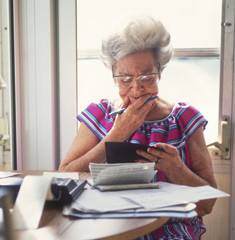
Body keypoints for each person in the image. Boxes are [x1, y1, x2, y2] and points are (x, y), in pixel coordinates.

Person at [59, 17, 217, 239]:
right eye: (125, 79)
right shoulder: (99, 113)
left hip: (170, 232)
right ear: (113, 76)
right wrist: (116, 135)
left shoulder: (185, 118)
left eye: (146, 77)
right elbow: (65, 178)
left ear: (160, 72)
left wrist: (177, 170)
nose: (136, 89)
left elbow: (208, 204)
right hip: (106, 229)